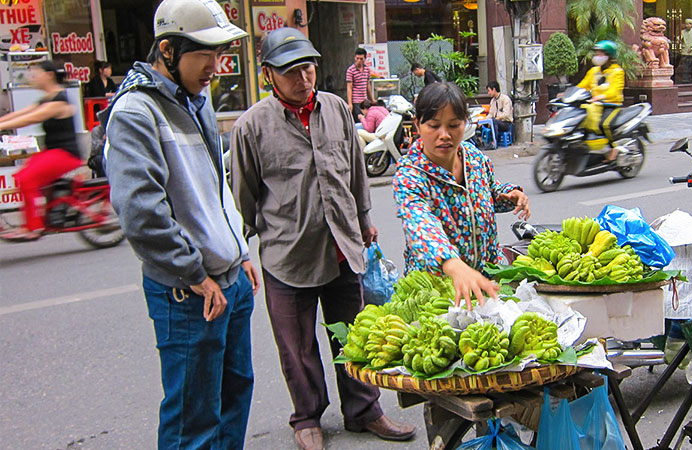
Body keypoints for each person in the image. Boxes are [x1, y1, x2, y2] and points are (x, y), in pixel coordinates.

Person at [229, 27, 416, 450]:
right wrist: (256, 241)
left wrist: (364, 216)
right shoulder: (250, 127)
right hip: (287, 256)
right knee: (297, 348)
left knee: (354, 334)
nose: (303, 78)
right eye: (291, 71)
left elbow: (355, 170)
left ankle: (364, 410)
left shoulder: (334, 109)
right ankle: (307, 417)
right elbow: (244, 196)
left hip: (342, 248)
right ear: (267, 75)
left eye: (308, 68)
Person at [101, 1, 260, 448]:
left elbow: (216, 181)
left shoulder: (196, 100)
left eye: (220, 52)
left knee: (234, 397)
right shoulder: (136, 111)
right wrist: (195, 273)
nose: (216, 66)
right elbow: (142, 213)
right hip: (188, 292)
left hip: (229, 281)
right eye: (205, 54)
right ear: (168, 50)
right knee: (193, 420)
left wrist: (240, 251)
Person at [393, 82, 531, 309]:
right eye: (434, 126)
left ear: (465, 123)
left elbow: (487, 191)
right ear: (417, 125)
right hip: (437, 291)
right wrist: (453, 265)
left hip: (486, 278)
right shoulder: (409, 175)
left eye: (454, 125)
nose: (444, 135)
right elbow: (419, 223)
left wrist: (510, 194)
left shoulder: (475, 158)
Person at [0, 61, 81, 241]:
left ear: (49, 75)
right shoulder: (46, 98)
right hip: (51, 151)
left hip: (65, 154)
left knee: (26, 178)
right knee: (20, 176)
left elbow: (28, 119)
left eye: (36, 73)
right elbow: (19, 114)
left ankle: (33, 227)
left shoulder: (59, 101)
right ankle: (43, 215)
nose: (32, 77)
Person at [576, 40, 625, 161]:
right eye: (596, 53)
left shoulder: (617, 72)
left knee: (605, 124)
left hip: (611, 104)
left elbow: (614, 91)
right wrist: (570, 94)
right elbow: (583, 85)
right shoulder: (594, 71)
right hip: (594, 104)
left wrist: (601, 97)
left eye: (601, 54)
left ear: (609, 56)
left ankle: (614, 148)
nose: (597, 57)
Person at [479, 81, 513, 149]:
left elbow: (506, 113)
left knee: (494, 121)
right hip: (494, 122)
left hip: (505, 123)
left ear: (494, 89)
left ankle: (494, 143)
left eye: (489, 91)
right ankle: (481, 142)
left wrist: (497, 118)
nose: (488, 93)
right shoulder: (492, 101)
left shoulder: (505, 99)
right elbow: (491, 114)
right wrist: (485, 121)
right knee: (481, 122)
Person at [346, 47, 374, 121]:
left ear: (365, 59)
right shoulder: (351, 70)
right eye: (357, 58)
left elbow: (367, 85)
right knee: (358, 121)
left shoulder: (367, 69)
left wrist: (372, 99)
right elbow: (349, 87)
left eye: (361, 59)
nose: (359, 61)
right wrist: (350, 103)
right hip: (356, 101)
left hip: (364, 100)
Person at [679, 19, 692, 83]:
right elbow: (679, 39)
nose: (688, 25)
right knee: (684, 66)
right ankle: (685, 79)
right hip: (684, 51)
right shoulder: (682, 32)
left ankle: (690, 79)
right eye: (687, 24)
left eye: (689, 24)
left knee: (691, 66)